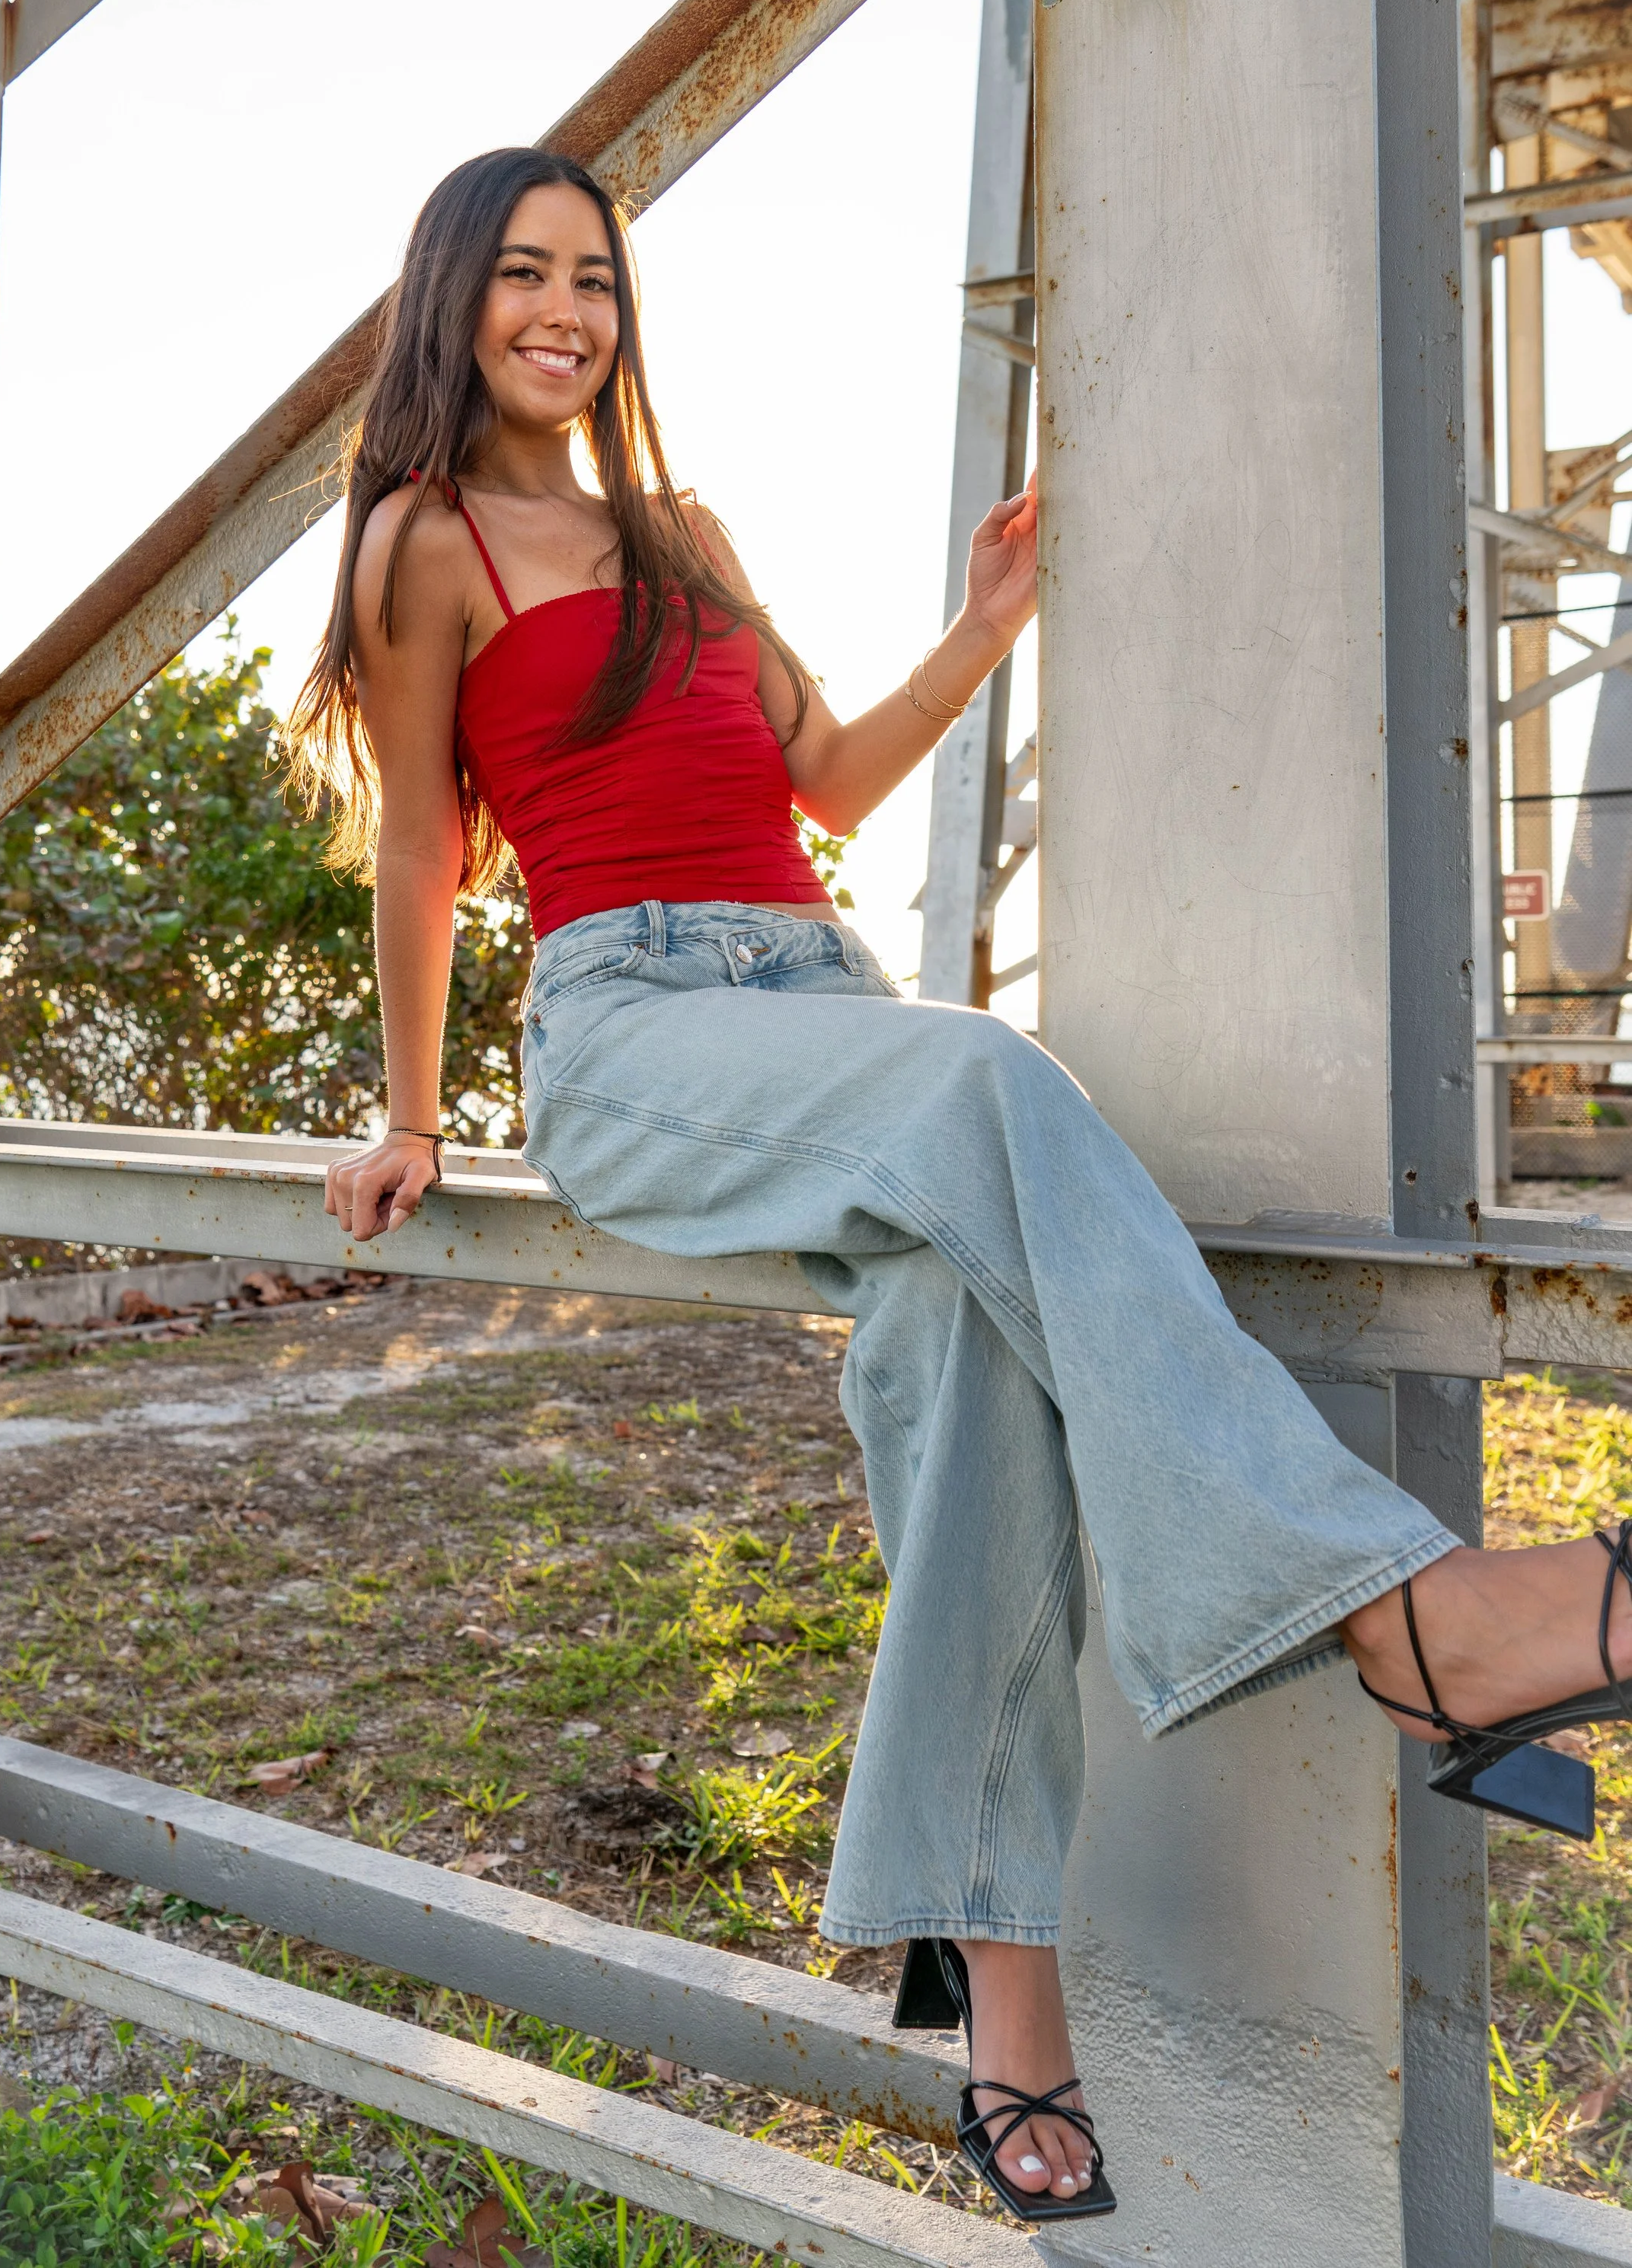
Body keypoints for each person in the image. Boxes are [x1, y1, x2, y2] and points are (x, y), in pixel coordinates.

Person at [288, 146, 1632, 2224]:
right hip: (634, 1033)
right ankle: (1409, 1613)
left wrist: (988, 625)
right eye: (527, 274)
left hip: (814, 1002)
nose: (567, 311)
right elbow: (414, 846)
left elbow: (819, 781)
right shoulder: (422, 539)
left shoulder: (684, 534)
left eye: (597, 279)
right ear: (455, 297)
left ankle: (1007, 1996)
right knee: (992, 1074)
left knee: (967, 1349)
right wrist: (408, 1110)